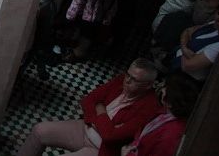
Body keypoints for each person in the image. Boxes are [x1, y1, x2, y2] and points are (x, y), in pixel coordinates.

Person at [15, 59, 161, 156]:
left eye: (134, 79)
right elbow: (89, 99)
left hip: (100, 149)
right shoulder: (120, 81)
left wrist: (101, 109)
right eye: (128, 75)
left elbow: (111, 137)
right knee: (39, 130)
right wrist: (102, 122)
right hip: (85, 128)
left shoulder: (149, 108)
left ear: (148, 85)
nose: (127, 80)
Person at [122, 73, 200, 156]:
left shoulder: (171, 135)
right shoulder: (166, 111)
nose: (162, 88)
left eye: (165, 87)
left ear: (171, 102)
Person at [170, 3, 219, 81]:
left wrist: (185, 44)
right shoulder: (213, 24)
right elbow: (187, 31)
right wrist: (184, 48)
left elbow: (187, 65)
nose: (217, 19)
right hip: (174, 58)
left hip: (183, 78)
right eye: (218, 13)